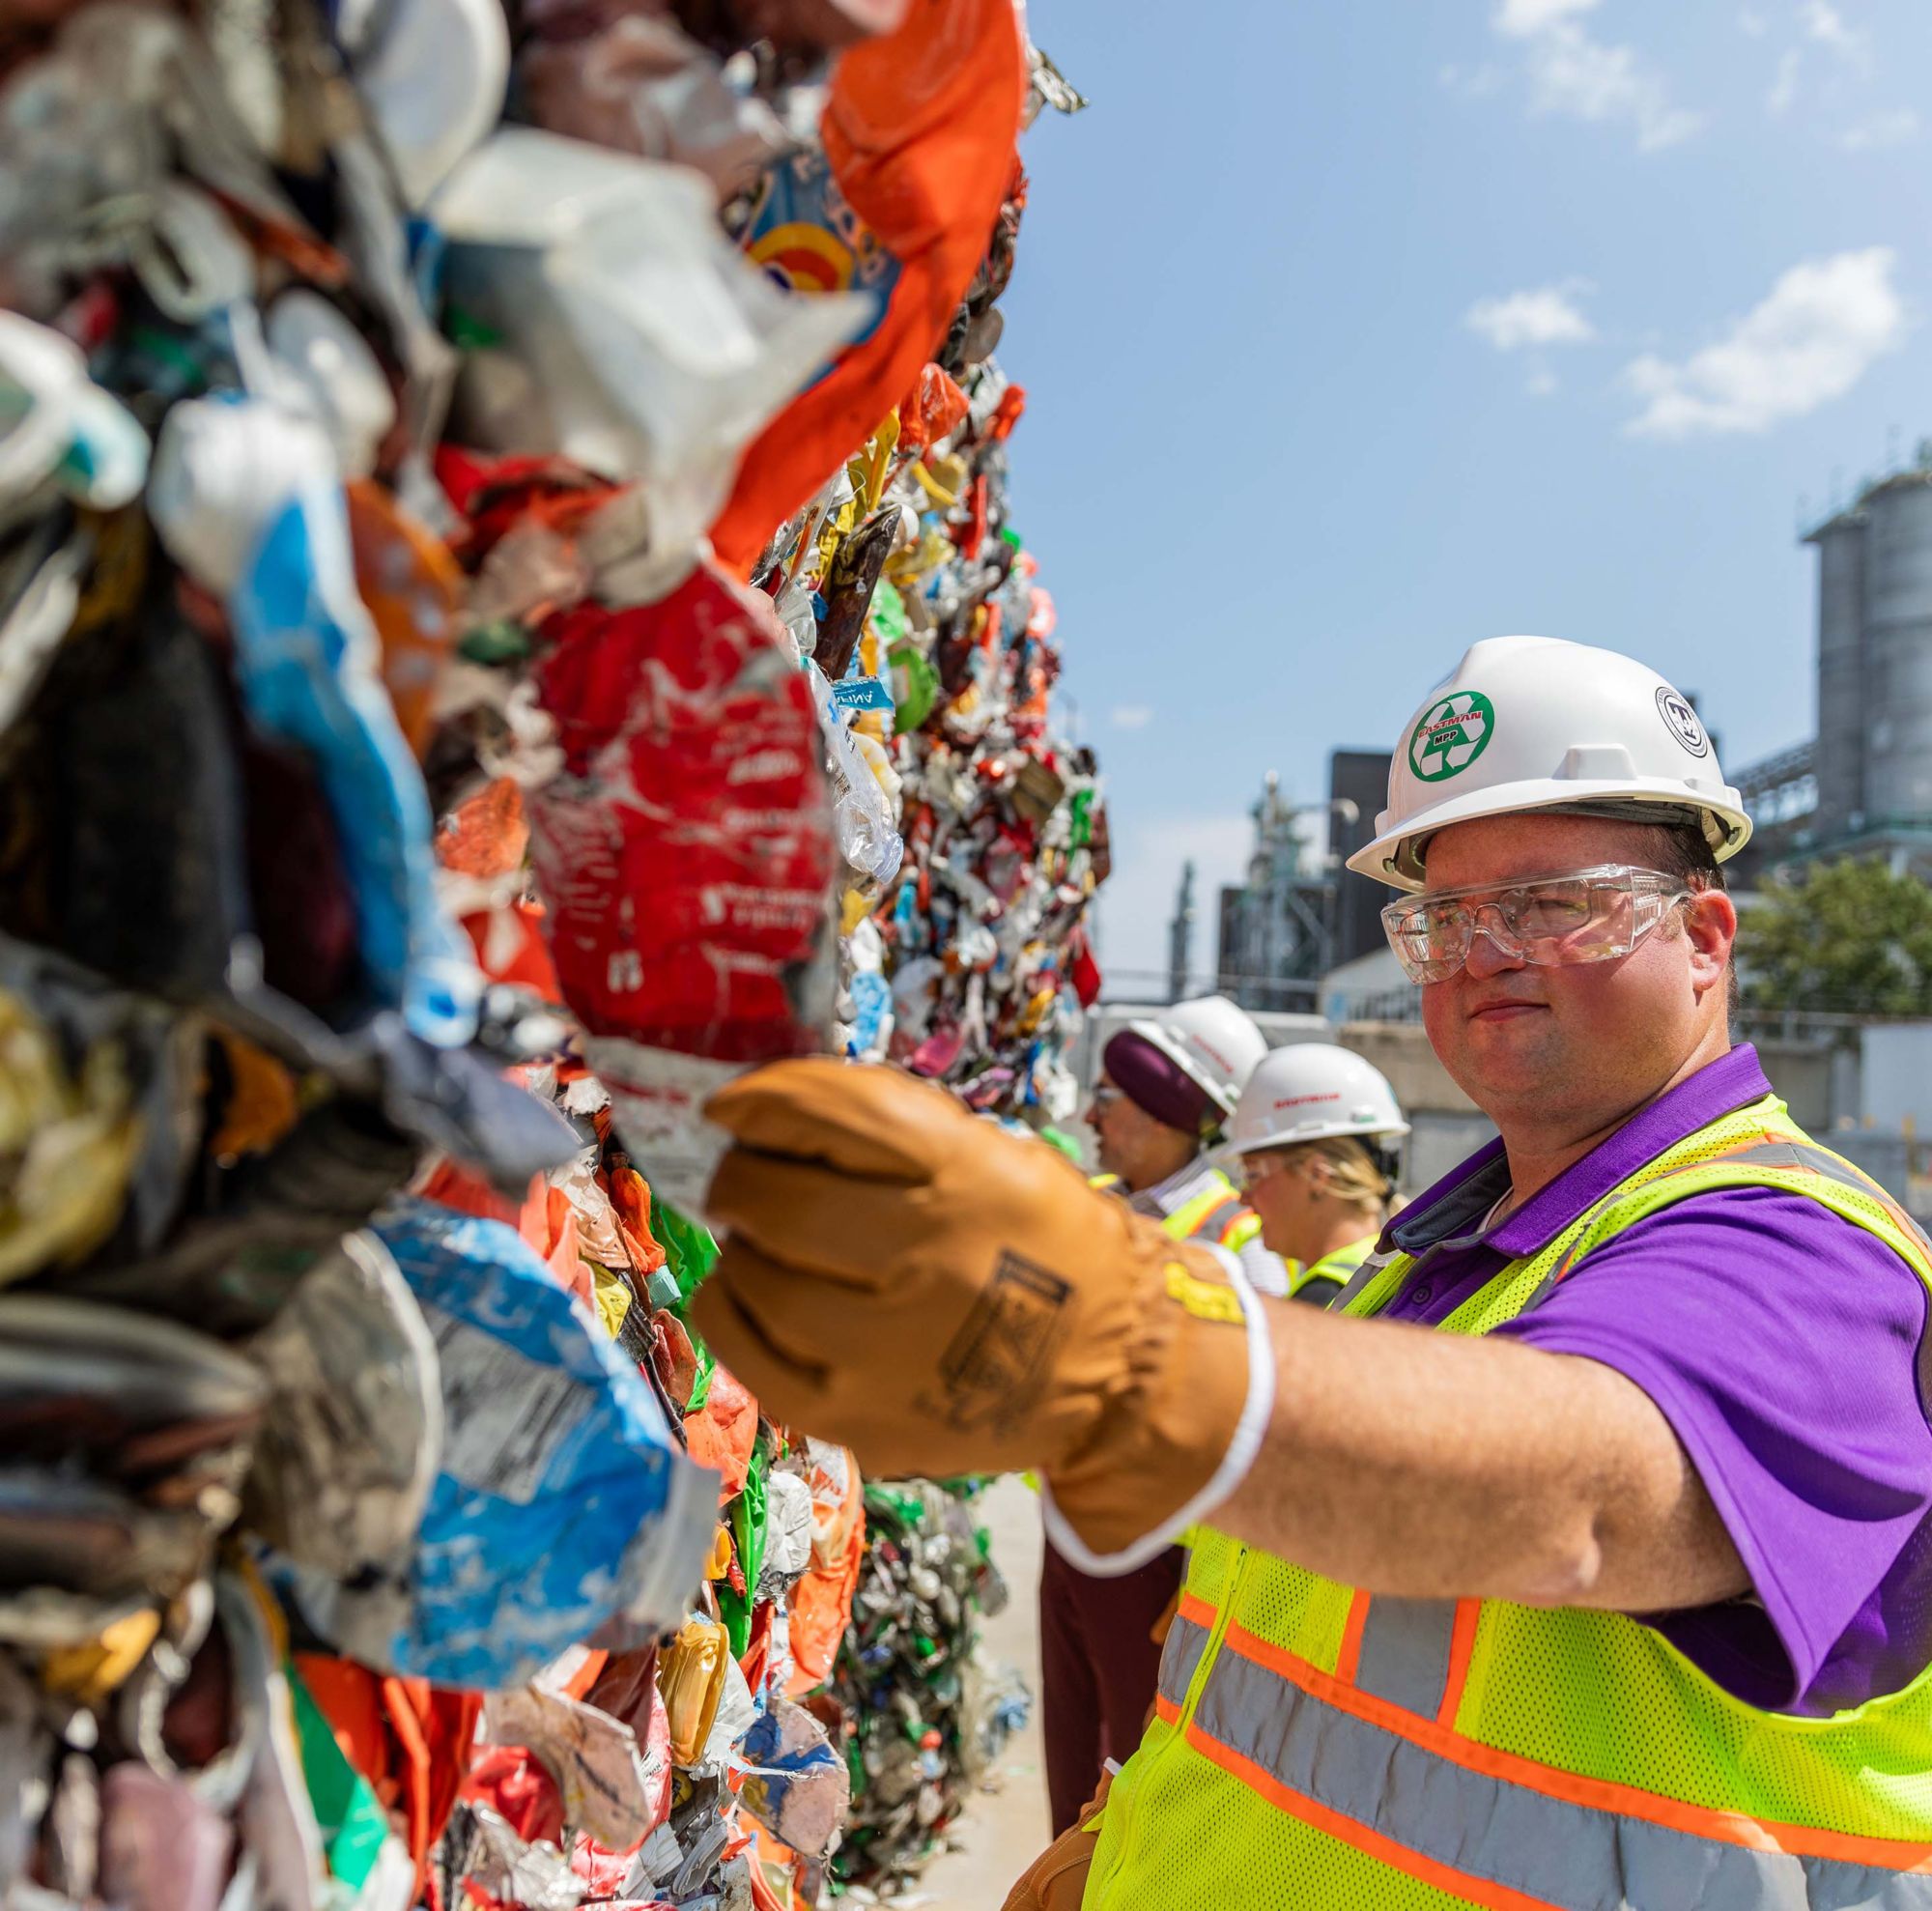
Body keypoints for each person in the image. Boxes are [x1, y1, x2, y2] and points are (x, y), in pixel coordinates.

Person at [693, 633, 1932, 1908]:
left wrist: (1115, 1352)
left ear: (1708, 938)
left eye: (1554, 903)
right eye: (1442, 917)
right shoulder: (1432, 1267)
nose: (1488, 949)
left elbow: (1586, 1496)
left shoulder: (1792, 1239)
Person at [1038, 997, 1271, 1836]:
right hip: (1069, 1520)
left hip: (1155, 1546)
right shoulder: (1095, 1201)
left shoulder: (1236, 1239)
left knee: (1129, 1764)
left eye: (1114, 1097)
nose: (1093, 1115)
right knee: (1069, 1755)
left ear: (1174, 1113)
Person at [1223, 1044, 1408, 1306]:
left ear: (1316, 1174)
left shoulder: (1324, 1297)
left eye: (1252, 1174)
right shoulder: (1391, 1271)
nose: (1243, 1197)